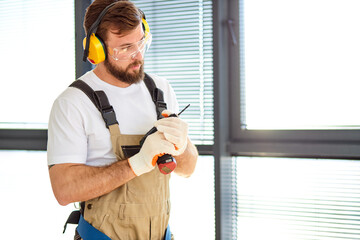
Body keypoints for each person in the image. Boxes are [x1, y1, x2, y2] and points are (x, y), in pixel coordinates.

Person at [47, 0, 198, 239]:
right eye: (125, 48)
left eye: (141, 42)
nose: (137, 56)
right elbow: (64, 190)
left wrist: (183, 145)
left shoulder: (160, 89)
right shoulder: (73, 103)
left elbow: (188, 169)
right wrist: (137, 163)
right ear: (97, 49)